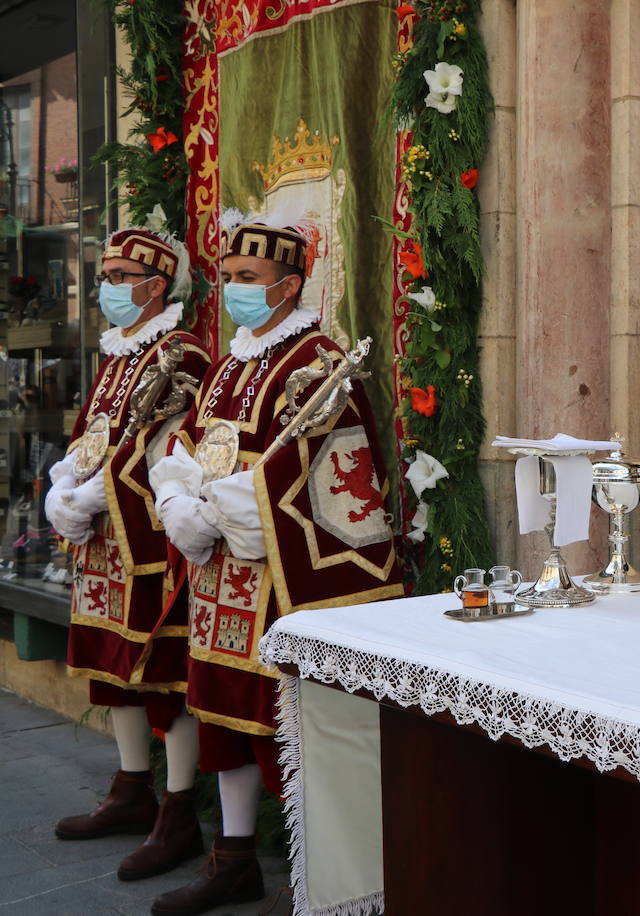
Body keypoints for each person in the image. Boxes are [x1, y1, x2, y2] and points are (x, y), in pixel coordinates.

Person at [147, 215, 403, 915]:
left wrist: (225, 508)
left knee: (282, 724)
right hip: (217, 576)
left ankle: (319, 874)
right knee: (223, 717)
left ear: (289, 287)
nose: (232, 289)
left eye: (247, 278)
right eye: (227, 277)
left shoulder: (318, 361)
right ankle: (232, 860)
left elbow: (322, 462)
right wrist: (177, 499)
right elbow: (191, 443)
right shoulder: (229, 363)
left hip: (277, 578)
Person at [45, 227, 211, 880]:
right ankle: (132, 787)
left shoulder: (181, 352)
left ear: (155, 285)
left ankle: (179, 810)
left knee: (166, 669)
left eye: (120, 276)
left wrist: (97, 493)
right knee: (113, 666)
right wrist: (64, 485)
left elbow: (177, 445)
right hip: (103, 540)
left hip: (151, 540)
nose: (107, 286)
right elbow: (92, 432)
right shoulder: (117, 354)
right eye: (105, 275)